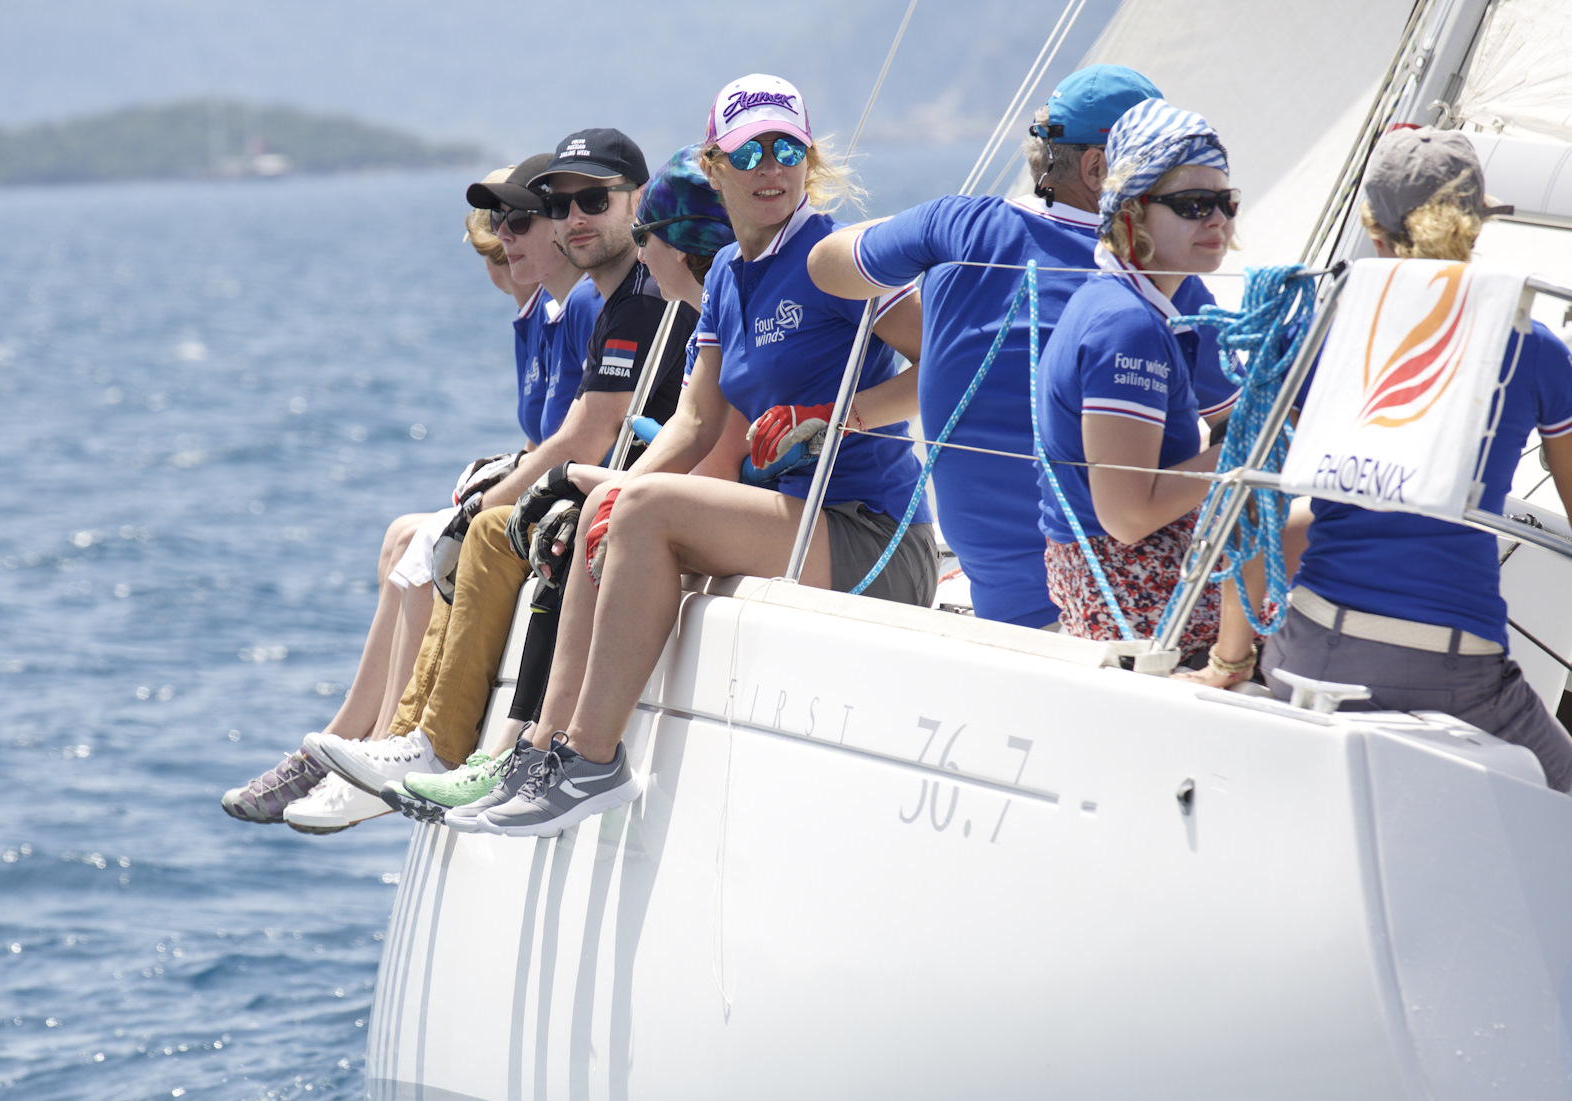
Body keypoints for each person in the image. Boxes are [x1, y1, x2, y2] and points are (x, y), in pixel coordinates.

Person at [468, 73, 936, 838]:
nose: (771, 167)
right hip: (798, 520)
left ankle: (593, 757)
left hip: (873, 533)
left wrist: (836, 415)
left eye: (789, 148)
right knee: (609, 507)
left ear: (809, 162)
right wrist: (610, 494)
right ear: (716, 167)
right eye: (749, 152)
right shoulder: (726, 272)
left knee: (641, 507)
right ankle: (544, 751)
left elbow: (942, 364)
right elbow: (692, 422)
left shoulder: (831, 256)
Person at [297, 128, 699, 820]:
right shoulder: (613, 299)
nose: (572, 219)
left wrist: (496, 499)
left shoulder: (632, 301)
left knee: (487, 535)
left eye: (592, 201)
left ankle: (443, 745)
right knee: (459, 533)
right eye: (559, 205)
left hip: (628, 489)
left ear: (636, 204)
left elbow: (589, 431)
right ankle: (414, 741)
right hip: (616, 483)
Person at [807, 65, 1241, 630]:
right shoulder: (1162, 283)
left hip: (1005, 607)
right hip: (1120, 603)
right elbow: (1242, 427)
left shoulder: (958, 228)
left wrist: (928, 237)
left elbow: (826, 266)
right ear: (1099, 168)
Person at [223, 157, 584, 830]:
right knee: (401, 535)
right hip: (538, 485)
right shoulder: (538, 320)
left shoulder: (574, 313)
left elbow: (578, 437)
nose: (504, 256)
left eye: (518, 229)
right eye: (495, 243)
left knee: (426, 544)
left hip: (553, 499)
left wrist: (490, 489)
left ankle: (385, 744)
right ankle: (350, 743)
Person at [384, 144, 740, 823]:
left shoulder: (653, 307)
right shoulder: (673, 312)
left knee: (535, 527)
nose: (513, 243)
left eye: (595, 204)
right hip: (686, 487)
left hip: (735, 502)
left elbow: (648, 437)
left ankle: (507, 746)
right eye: (556, 207)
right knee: (550, 524)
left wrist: (565, 481)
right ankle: (470, 743)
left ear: (650, 222)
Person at [1264, 127, 1572, 791]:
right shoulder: (1536, 348)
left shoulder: (1314, 329)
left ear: (1372, 228)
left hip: (1312, 647)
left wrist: (1231, 657)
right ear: (1476, 225)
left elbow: (1259, 498)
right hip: (1455, 674)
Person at [1030, 99, 1265, 674]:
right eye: (1192, 204)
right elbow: (1128, 516)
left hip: (1110, 581)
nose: (1217, 221)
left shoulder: (1125, 306)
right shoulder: (1128, 327)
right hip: (1129, 591)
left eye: (1224, 202)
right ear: (1131, 211)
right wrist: (1249, 454)